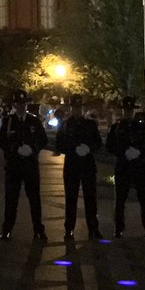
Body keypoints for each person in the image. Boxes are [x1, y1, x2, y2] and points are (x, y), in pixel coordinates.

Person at [0, 89, 47, 241]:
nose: (21, 106)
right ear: (14, 105)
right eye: (18, 103)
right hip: (14, 166)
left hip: (30, 166)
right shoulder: (8, 121)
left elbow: (43, 139)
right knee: (11, 199)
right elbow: (2, 142)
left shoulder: (34, 121)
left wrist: (33, 149)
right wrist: (15, 149)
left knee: (34, 199)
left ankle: (38, 229)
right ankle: (7, 229)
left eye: (23, 103)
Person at [105, 97, 145, 238]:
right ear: (123, 111)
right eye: (126, 110)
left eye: (130, 110)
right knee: (120, 201)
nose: (128, 113)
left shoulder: (141, 127)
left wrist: (139, 152)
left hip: (139, 167)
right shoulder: (116, 128)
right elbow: (109, 146)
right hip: (123, 167)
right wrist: (123, 152)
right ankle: (118, 228)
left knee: (144, 200)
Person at [54, 94, 103, 240]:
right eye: (74, 107)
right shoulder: (65, 125)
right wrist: (73, 149)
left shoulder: (90, 124)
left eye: (79, 107)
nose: (77, 110)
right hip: (72, 165)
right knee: (71, 198)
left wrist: (88, 148)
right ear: (71, 108)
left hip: (87, 164)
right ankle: (69, 229)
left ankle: (93, 229)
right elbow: (58, 144)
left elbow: (98, 143)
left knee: (90, 199)